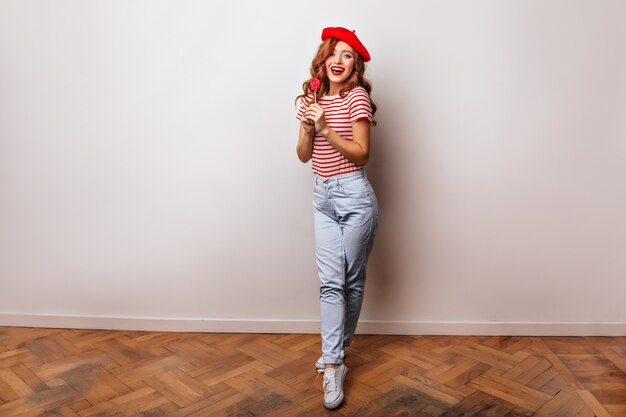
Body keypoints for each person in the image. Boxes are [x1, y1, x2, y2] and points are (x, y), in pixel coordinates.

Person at [295, 27, 378, 410]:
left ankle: (337, 349)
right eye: (334, 54)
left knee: (351, 280)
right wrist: (309, 126)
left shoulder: (356, 97)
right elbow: (303, 155)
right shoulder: (310, 98)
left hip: (355, 196)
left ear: (354, 65)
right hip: (323, 197)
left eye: (347, 56)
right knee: (330, 282)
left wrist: (326, 127)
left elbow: (362, 154)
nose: (339, 61)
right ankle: (333, 364)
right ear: (323, 59)